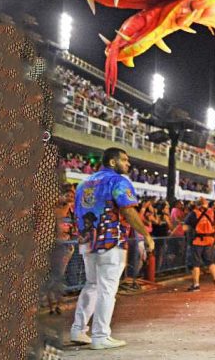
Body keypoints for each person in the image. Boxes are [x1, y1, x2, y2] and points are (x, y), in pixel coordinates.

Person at [70, 148, 154, 350]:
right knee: (107, 289)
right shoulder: (118, 181)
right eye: (124, 160)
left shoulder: (83, 183)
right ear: (113, 162)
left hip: (88, 241)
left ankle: (78, 330)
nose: (128, 164)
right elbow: (128, 209)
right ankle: (100, 335)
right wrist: (146, 234)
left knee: (91, 285)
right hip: (110, 241)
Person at [47, 184, 78, 314]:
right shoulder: (56, 208)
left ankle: (57, 305)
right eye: (68, 195)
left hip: (66, 246)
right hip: (54, 246)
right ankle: (51, 305)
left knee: (59, 276)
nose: (70, 197)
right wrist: (67, 205)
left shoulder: (71, 211)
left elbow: (75, 227)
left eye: (72, 195)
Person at [184, 196, 215, 291]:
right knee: (210, 262)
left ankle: (196, 285)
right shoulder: (212, 212)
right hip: (209, 240)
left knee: (195, 264)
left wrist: (192, 230)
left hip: (197, 241)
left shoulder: (193, 213)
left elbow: (185, 228)